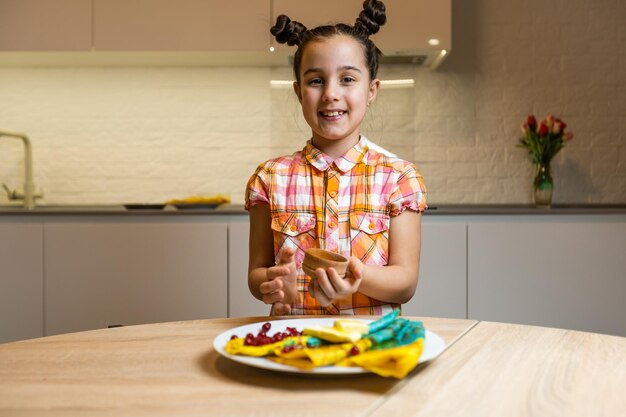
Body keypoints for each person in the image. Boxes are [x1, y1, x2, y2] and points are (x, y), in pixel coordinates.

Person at [245, 0, 427, 316]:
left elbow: (406, 282)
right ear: (299, 91)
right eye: (316, 80)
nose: (330, 92)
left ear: (372, 90)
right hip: (293, 343)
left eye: (347, 79)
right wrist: (272, 282)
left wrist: (356, 278)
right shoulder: (269, 178)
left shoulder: (399, 178)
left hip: (370, 346)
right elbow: (256, 273)